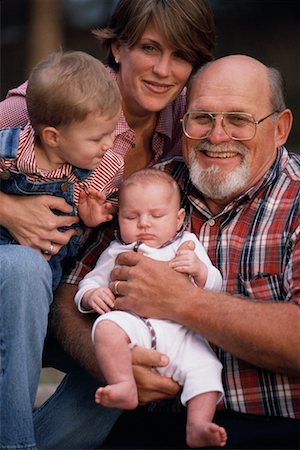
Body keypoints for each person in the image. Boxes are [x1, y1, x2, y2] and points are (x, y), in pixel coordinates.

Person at [0, 1, 216, 449]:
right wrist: (7, 209)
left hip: (80, 293)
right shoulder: (57, 100)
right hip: (16, 281)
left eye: (180, 56)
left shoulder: (185, 128)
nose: (163, 69)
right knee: (24, 269)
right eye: (149, 48)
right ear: (117, 48)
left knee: (127, 364)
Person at [106, 55, 300, 448]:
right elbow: (69, 294)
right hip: (146, 421)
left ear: (280, 129)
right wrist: (110, 362)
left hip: (274, 429)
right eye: (202, 118)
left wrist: (181, 301)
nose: (217, 135)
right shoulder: (152, 185)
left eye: (239, 120)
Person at [75, 169, 226, 448]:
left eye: (157, 216)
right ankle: (123, 385)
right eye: (132, 217)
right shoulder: (117, 251)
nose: (144, 224)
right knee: (106, 328)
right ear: (119, 220)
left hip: (182, 336)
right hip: (136, 329)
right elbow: (89, 282)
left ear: (178, 218)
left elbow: (215, 288)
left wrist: (200, 271)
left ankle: (198, 424)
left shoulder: (187, 247)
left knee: (207, 367)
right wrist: (91, 295)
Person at [0, 50, 121, 290]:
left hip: (47, 275)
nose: (109, 144)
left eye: (112, 132)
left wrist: (93, 216)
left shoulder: (103, 168)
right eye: (97, 138)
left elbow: (114, 207)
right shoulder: (11, 149)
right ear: (53, 137)